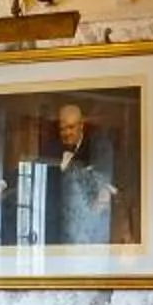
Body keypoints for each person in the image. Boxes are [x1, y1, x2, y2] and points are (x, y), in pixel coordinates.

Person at [41, 101, 124, 244]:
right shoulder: (51, 149)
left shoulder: (98, 149)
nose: (66, 133)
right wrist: (3, 183)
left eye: (71, 127)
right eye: (62, 129)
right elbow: (33, 166)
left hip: (90, 231)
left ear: (81, 126)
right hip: (57, 230)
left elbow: (104, 184)